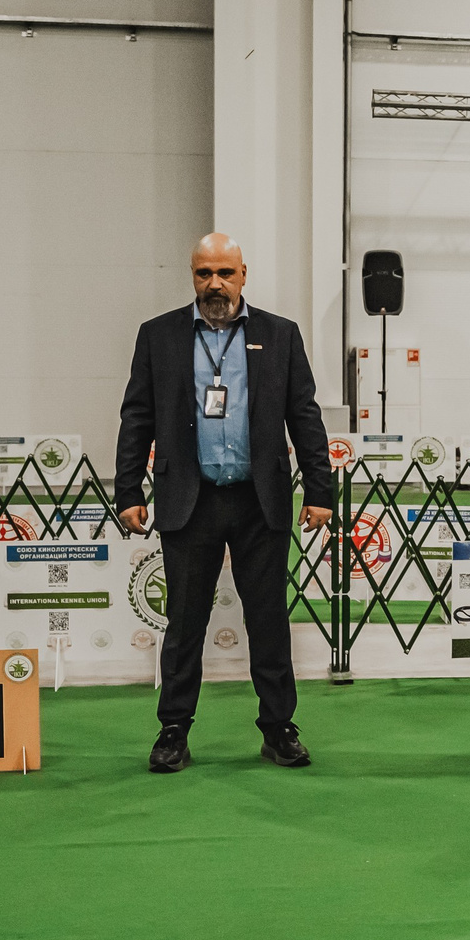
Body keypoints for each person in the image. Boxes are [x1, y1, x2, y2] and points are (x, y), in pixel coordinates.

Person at [115, 233, 332, 774]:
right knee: (184, 622)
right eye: (203, 272)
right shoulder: (158, 335)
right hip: (189, 500)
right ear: (192, 275)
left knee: (268, 621)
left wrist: (320, 490)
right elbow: (136, 417)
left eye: (225, 273)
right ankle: (173, 731)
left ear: (243, 274)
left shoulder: (280, 335)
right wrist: (126, 491)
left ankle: (279, 728)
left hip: (261, 501)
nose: (214, 283)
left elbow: (304, 414)